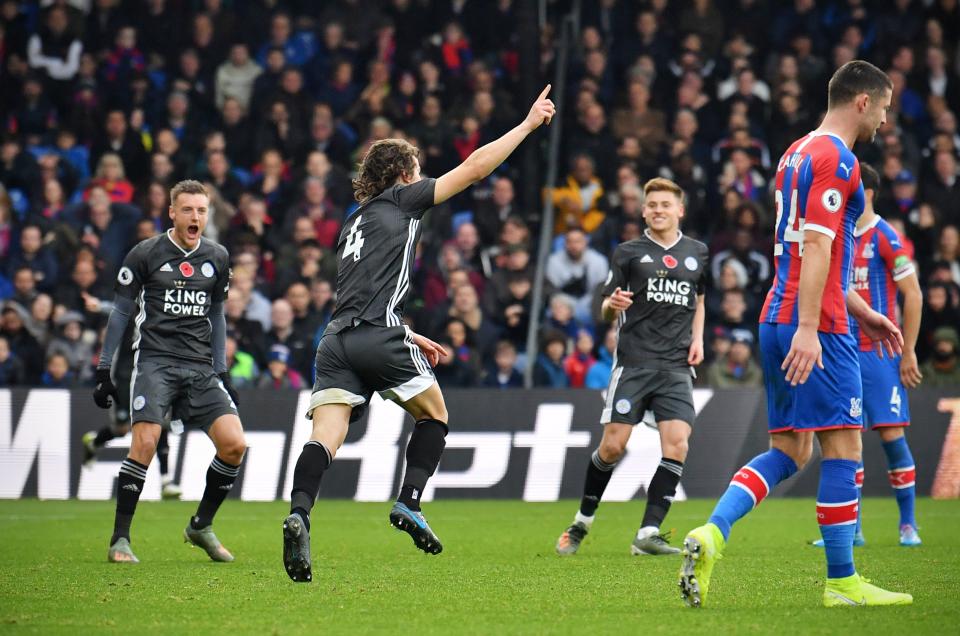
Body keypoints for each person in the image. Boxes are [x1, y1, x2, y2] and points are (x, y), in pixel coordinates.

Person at [281, 86, 556, 583]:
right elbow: (474, 168)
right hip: (377, 335)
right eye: (417, 169)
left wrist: (408, 333)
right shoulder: (403, 200)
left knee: (326, 435)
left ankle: (300, 513)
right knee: (435, 415)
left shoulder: (351, 223)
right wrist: (527, 125)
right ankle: (409, 502)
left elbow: (367, 291)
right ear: (405, 174)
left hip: (336, 340)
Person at [678, 61, 911, 609]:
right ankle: (842, 583)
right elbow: (818, 247)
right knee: (845, 446)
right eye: (883, 106)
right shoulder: (838, 158)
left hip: (777, 318)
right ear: (860, 101)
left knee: (789, 449)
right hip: (816, 326)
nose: (885, 118)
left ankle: (712, 533)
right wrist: (814, 326)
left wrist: (864, 310)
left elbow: (808, 250)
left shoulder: (795, 152)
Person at [92, 180, 246, 564]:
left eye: (201, 210)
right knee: (144, 443)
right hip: (155, 362)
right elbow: (122, 313)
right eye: (188, 210)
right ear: (172, 213)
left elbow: (217, 314)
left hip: (200, 369)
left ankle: (200, 526)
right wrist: (104, 367)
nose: (196, 217)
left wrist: (221, 370)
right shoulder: (145, 253)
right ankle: (120, 539)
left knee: (234, 445)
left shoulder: (218, 256)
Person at [555, 177, 707, 557]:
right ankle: (581, 523)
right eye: (651, 204)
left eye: (665, 204)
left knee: (678, 445)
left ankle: (648, 534)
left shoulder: (698, 253)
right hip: (634, 363)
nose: (658, 210)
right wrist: (613, 306)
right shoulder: (627, 252)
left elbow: (699, 299)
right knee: (612, 447)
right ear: (643, 210)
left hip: (675, 366)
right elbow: (605, 309)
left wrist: (699, 339)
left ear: (679, 210)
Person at [809, 163, 924, 549]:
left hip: (878, 354)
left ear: (866, 193)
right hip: (841, 348)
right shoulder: (837, 234)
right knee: (845, 438)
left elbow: (915, 293)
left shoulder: (886, 236)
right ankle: (851, 528)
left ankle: (907, 524)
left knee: (891, 435)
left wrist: (907, 350)